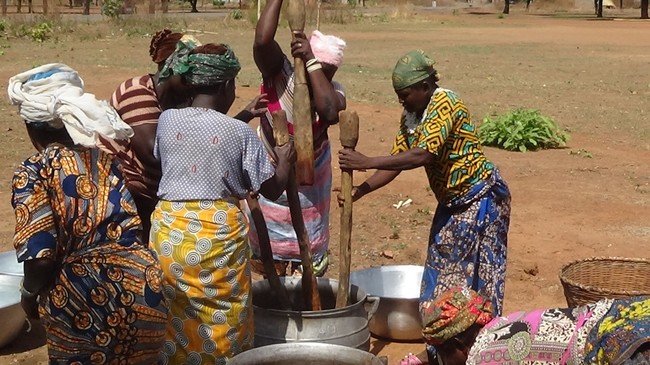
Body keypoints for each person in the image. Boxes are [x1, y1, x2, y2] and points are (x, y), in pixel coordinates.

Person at [338, 49, 511, 362]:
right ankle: (443, 351)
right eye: (398, 96)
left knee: (477, 283)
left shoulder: (446, 103)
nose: (401, 102)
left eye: (405, 95)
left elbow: (422, 155)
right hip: (452, 203)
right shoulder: (412, 116)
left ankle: (481, 349)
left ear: (425, 87)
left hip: (481, 199)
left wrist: (365, 161)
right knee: (441, 279)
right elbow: (396, 161)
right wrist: (360, 190)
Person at [7, 63, 168, 364]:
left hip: (81, 296)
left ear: (30, 127)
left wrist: (29, 296)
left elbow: (41, 258)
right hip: (143, 287)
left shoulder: (34, 171)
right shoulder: (107, 159)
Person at [149, 42, 294, 364]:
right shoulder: (240, 135)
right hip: (216, 237)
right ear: (228, 85)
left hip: (170, 234)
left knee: (177, 312)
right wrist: (284, 160)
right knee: (224, 316)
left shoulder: (167, 120)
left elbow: (199, 142)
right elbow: (270, 189)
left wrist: (242, 114)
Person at [101, 29, 269, 239]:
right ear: (172, 69)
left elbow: (195, 137)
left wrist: (242, 118)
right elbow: (157, 155)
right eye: (190, 71)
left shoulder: (178, 104)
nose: (195, 78)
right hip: (122, 196)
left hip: (155, 200)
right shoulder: (136, 91)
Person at [250, 0, 347, 276]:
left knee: (306, 248)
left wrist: (312, 62)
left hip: (311, 183)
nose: (323, 80)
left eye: (327, 74)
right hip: (272, 174)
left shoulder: (335, 92)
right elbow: (262, 41)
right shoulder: (280, 73)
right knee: (268, 253)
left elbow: (328, 110)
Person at [416, 287, 650, 365]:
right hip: (628, 313)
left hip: (619, 345)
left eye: (443, 355)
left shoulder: (484, 358)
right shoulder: (507, 323)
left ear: (458, 345)